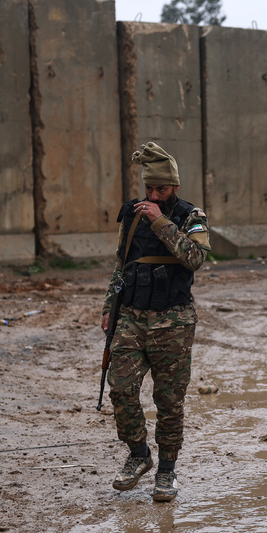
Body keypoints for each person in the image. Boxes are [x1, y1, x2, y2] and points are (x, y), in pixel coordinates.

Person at [101, 142, 210, 502]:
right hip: (131, 316)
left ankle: (166, 470)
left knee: (169, 401)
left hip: (173, 322)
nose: (153, 195)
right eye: (149, 189)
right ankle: (138, 454)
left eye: (160, 190)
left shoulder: (192, 216)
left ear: (174, 187)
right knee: (120, 389)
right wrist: (108, 307)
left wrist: (159, 220)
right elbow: (121, 264)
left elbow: (194, 258)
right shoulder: (132, 214)